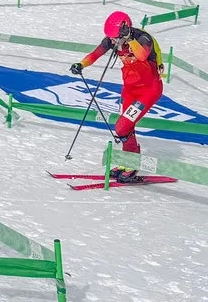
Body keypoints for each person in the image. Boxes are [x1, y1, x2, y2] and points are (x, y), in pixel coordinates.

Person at [69, 11, 164, 183]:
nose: (111, 41)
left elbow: (142, 55)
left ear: (124, 31)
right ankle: (127, 162)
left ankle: (132, 164)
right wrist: (81, 64)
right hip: (130, 89)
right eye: (110, 38)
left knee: (122, 126)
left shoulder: (142, 38)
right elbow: (95, 54)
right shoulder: (112, 40)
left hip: (148, 91)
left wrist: (130, 38)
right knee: (125, 128)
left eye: (114, 38)